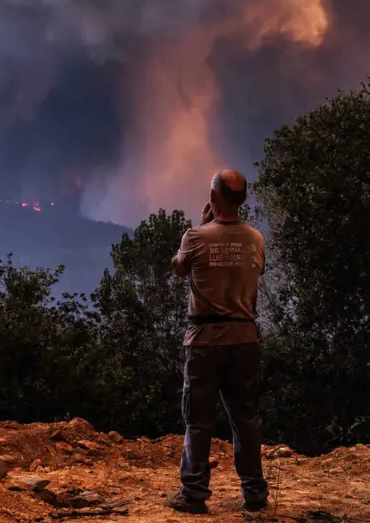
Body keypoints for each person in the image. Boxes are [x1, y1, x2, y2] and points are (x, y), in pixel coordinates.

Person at [166, 169, 269, 515]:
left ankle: (194, 493)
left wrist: (202, 226)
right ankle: (254, 493)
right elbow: (256, 269)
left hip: (204, 341)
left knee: (198, 420)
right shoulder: (256, 238)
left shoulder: (195, 237)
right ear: (243, 199)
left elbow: (179, 268)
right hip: (245, 339)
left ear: (213, 198)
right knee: (246, 419)